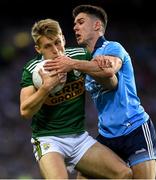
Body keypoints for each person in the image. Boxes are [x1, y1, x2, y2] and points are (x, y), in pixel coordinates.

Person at [43, 5, 156, 179]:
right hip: (107, 134)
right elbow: (107, 80)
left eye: (81, 22)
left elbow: (110, 70)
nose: (75, 27)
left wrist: (72, 64)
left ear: (97, 26)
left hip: (135, 128)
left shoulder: (113, 47)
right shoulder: (86, 59)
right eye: (74, 24)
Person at [19, 18, 132, 179]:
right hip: (48, 140)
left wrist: (100, 67)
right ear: (38, 49)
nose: (56, 50)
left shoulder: (80, 56)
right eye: (48, 46)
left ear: (63, 39)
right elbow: (25, 111)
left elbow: (111, 84)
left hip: (79, 138)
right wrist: (46, 87)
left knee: (124, 174)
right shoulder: (32, 70)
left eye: (58, 42)